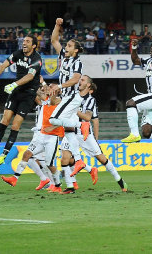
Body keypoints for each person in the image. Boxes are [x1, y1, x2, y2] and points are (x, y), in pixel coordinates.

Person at [0, 34, 43, 165]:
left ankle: (3, 156)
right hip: (16, 91)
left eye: (27, 41)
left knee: (15, 125)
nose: (24, 43)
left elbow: (29, 76)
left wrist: (14, 84)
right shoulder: (17, 53)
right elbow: (2, 66)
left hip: (28, 94)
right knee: (5, 120)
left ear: (34, 45)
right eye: (24, 41)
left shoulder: (37, 59)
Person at [47, 18, 90, 194]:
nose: (66, 47)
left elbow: (74, 80)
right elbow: (54, 40)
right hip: (66, 96)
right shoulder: (63, 56)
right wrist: (57, 26)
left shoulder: (77, 62)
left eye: (70, 45)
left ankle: (82, 124)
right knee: (69, 133)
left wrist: (59, 86)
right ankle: (72, 181)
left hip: (71, 96)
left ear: (76, 50)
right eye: (67, 45)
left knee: (53, 119)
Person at [68, 76, 128, 192]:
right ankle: (70, 185)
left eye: (83, 80)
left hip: (85, 134)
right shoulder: (73, 95)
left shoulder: (90, 100)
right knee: (66, 158)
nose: (80, 81)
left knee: (101, 158)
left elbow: (89, 118)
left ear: (89, 85)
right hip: (71, 132)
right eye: (80, 79)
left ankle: (120, 180)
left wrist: (95, 138)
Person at [1, 88, 60, 190]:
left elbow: (51, 100)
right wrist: (33, 82)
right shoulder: (45, 99)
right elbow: (37, 93)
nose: (47, 89)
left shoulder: (59, 101)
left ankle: (57, 184)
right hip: (40, 135)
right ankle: (14, 179)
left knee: (48, 163)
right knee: (27, 154)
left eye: (51, 87)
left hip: (52, 136)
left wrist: (46, 87)